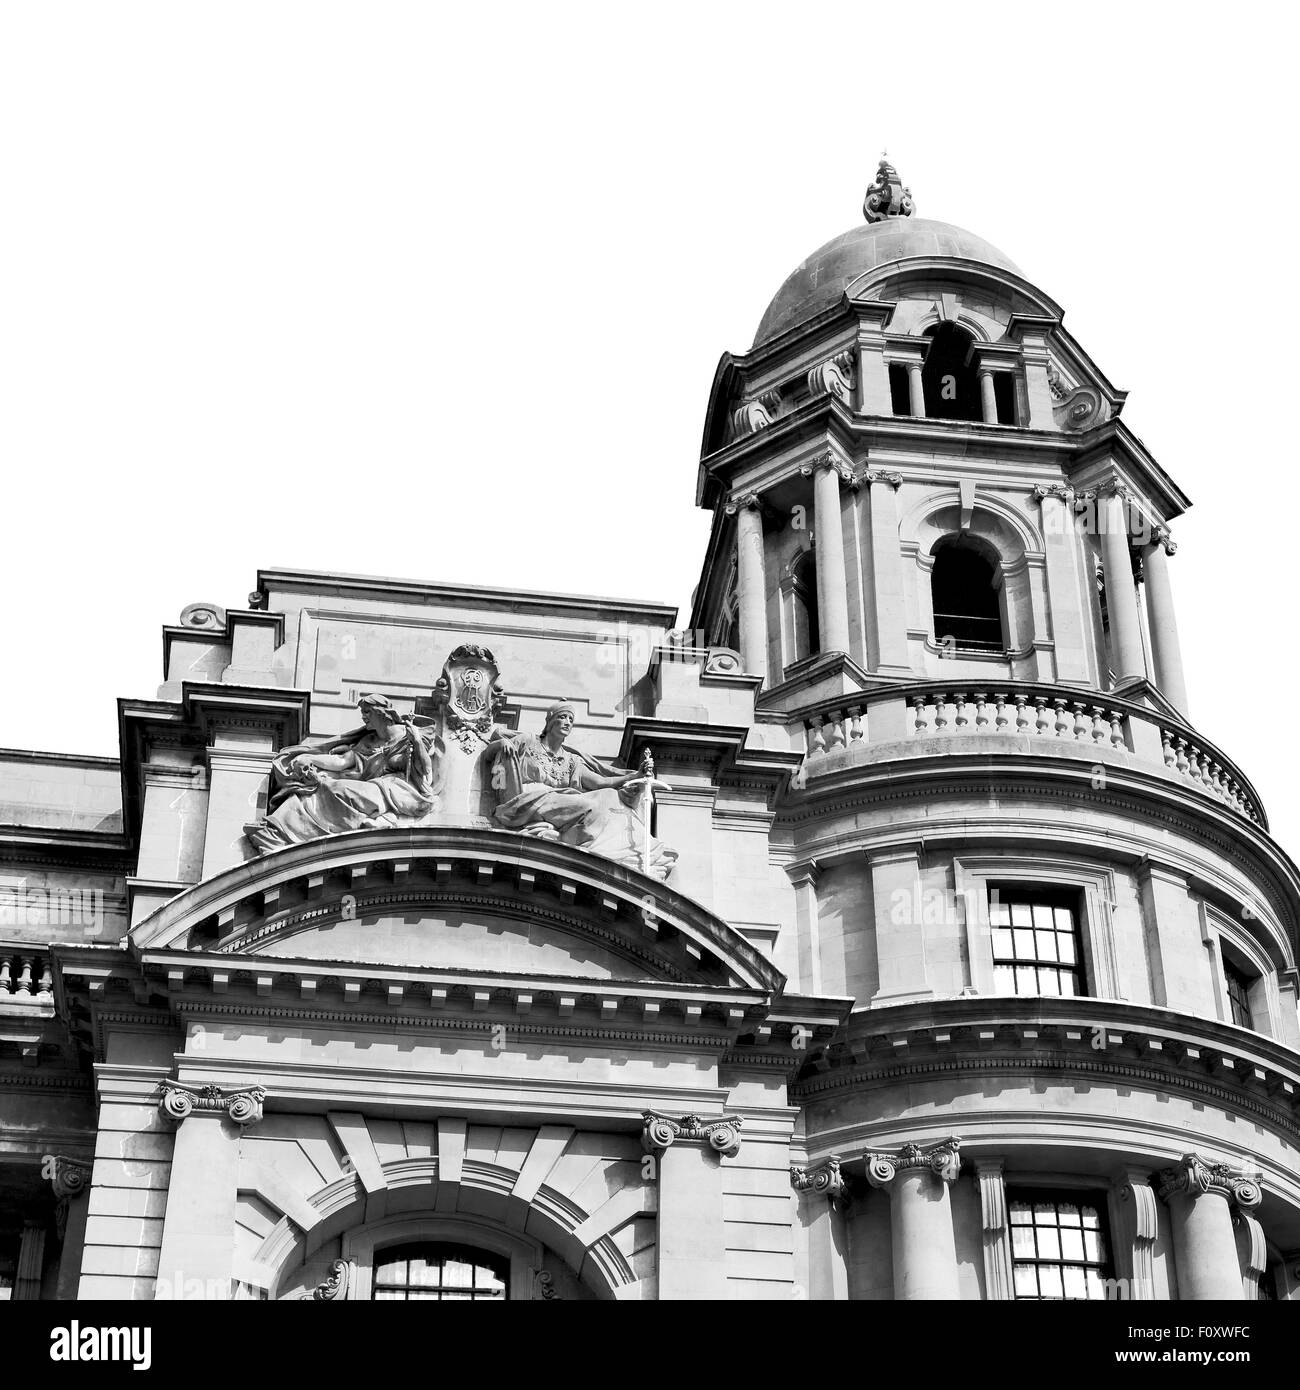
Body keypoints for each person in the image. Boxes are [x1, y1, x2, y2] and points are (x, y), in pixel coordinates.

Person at [489, 702, 676, 878]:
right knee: (588, 804)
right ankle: (581, 842)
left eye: (571, 720)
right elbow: (493, 741)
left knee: (610, 796)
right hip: (531, 798)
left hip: (558, 799)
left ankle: (597, 846)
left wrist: (634, 776)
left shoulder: (571, 760)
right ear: (551, 721)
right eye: (563, 717)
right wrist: (502, 743)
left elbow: (601, 782)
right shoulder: (528, 741)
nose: (568, 723)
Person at [244, 693, 440, 853]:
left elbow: (425, 770)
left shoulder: (407, 734)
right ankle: (283, 831)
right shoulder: (368, 741)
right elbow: (341, 762)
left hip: (399, 790)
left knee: (342, 790)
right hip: (376, 787)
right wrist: (310, 759)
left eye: (367, 712)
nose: (363, 717)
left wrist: (416, 741)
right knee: (324, 787)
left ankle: (383, 819)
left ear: (381, 713)